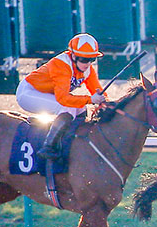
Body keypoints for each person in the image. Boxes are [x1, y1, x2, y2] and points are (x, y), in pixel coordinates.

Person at [15, 33, 108, 161]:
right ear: (73, 55)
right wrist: (91, 100)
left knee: (81, 108)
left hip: (48, 94)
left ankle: (74, 140)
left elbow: (98, 91)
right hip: (28, 93)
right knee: (68, 108)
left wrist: (107, 102)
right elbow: (63, 99)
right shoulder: (61, 65)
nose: (88, 64)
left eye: (92, 59)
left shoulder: (88, 69)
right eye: (84, 59)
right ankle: (48, 147)